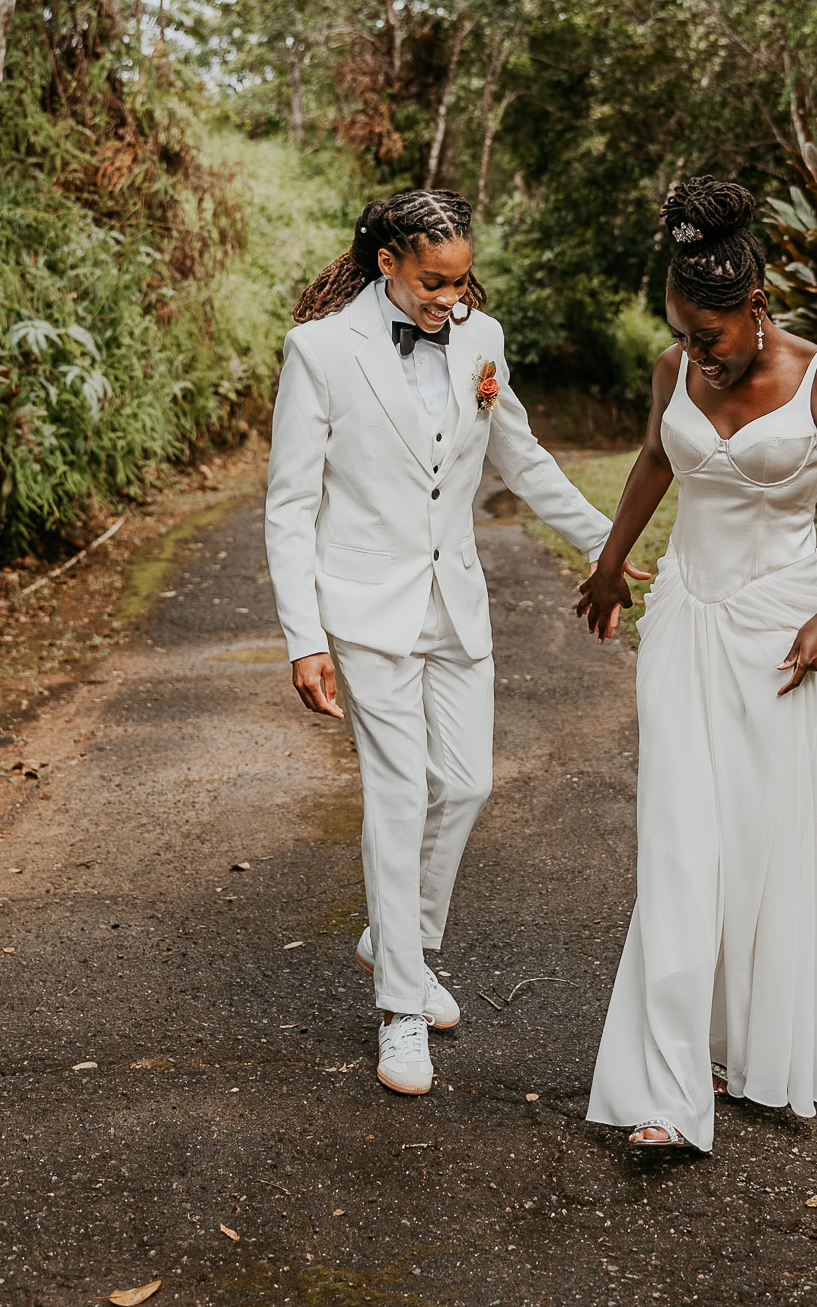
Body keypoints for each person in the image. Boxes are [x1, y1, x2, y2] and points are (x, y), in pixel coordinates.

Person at [265, 188, 640, 1097]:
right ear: (387, 262)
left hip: (455, 605)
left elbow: (523, 459)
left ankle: (394, 939)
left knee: (467, 780)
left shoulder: (481, 339)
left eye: (462, 279)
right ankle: (400, 1009)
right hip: (364, 608)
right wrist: (303, 638)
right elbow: (291, 505)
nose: (450, 297)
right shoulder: (320, 351)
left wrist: (608, 546)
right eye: (434, 281)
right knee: (398, 796)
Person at [577, 176, 817, 1151]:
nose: (697, 355)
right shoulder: (675, 367)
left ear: (755, 308)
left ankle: (750, 1051)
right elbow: (655, 461)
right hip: (684, 618)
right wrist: (608, 565)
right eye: (683, 333)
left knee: (759, 843)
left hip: (780, 634)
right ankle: (668, 1092)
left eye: (710, 335)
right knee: (678, 840)